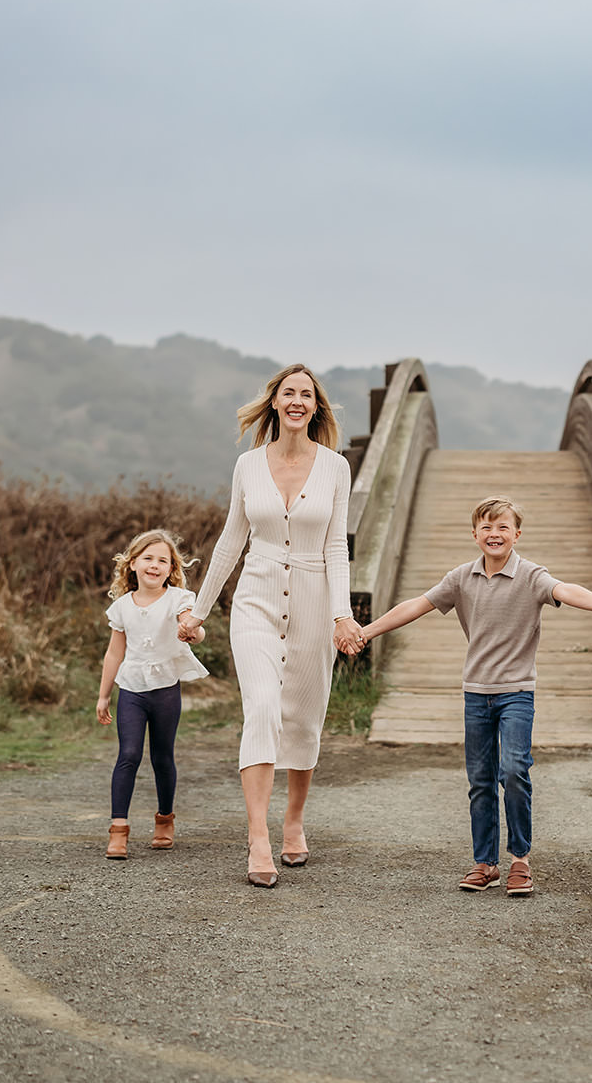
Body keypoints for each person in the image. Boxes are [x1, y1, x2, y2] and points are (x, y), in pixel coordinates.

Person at [353, 495, 592, 897]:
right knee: (480, 780)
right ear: (475, 535)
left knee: (513, 771)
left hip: (517, 693)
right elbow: (416, 605)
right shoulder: (461, 578)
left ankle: (520, 861)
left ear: (516, 534)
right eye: (487, 527)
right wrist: (367, 632)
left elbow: (567, 590)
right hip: (477, 694)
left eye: (503, 526)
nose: (495, 534)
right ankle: (485, 863)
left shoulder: (530, 575)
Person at [178, 364, 362, 888]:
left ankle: (294, 821)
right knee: (261, 708)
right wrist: (199, 609)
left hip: (314, 598)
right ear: (275, 403)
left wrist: (341, 614)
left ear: (316, 407)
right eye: (289, 393)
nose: (298, 401)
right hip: (255, 598)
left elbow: (335, 547)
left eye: (307, 394)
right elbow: (230, 541)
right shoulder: (247, 466)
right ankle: (258, 838)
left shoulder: (335, 467)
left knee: (304, 717)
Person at [97, 528, 208, 859]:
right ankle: (118, 830)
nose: (155, 565)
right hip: (131, 690)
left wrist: (193, 631)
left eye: (163, 560)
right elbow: (114, 654)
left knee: (162, 757)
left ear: (171, 568)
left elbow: (193, 626)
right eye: (148, 558)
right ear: (132, 564)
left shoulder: (178, 600)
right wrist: (104, 695)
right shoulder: (121, 607)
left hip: (165, 691)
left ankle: (164, 821)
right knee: (128, 755)